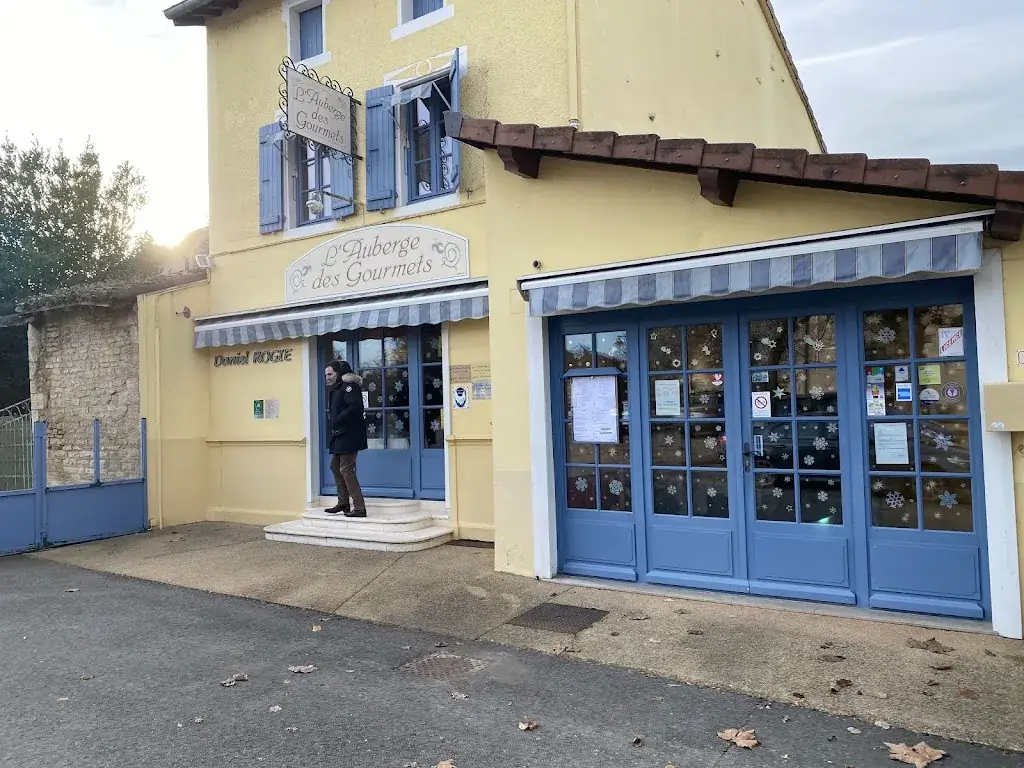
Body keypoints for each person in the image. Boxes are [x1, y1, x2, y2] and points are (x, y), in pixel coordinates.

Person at [325, 360, 368, 517]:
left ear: (338, 373)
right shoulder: (337, 389)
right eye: (326, 375)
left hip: (350, 435)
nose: (327, 377)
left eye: (330, 374)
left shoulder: (350, 387)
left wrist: (338, 419)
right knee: (335, 466)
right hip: (340, 434)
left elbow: (355, 408)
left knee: (346, 469)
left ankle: (359, 508)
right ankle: (343, 502)